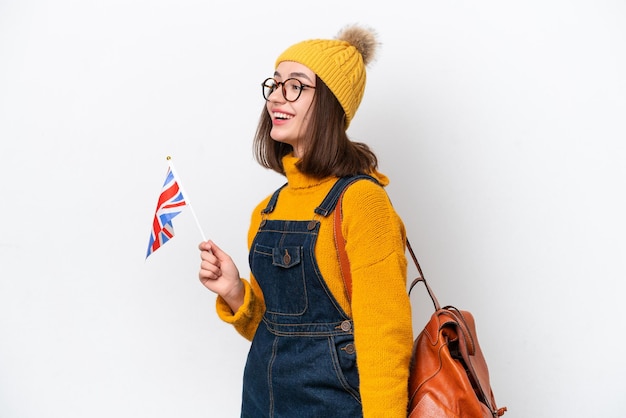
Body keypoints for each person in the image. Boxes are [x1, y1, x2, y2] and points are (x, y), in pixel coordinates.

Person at [198, 24, 413, 418]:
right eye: (275, 84)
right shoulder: (267, 210)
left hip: (335, 406)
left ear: (331, 103)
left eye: (295, 86)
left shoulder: (362, 201)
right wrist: (234, 292)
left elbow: (385, 338)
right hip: (261, 403)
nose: (277, 98)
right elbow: (278, 335)